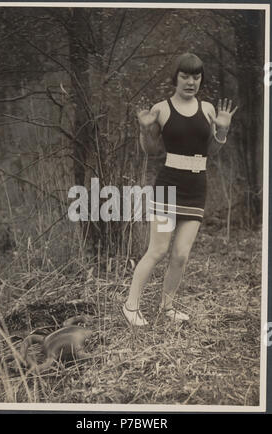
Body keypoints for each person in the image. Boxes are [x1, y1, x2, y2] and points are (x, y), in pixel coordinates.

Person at [122, 52, 238, 326]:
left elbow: (211, 152)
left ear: (200, 80)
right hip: (167, 185)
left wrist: (222, 130)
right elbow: (151, 151)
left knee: (181, 254)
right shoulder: (161, 108)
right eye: (185, 76)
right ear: (175, 77)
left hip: (197, 187)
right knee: (158, 250)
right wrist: (145, 130)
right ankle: (130, 306)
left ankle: (167, 307)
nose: (190, 82)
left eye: (196, 77)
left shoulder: (208, 109)